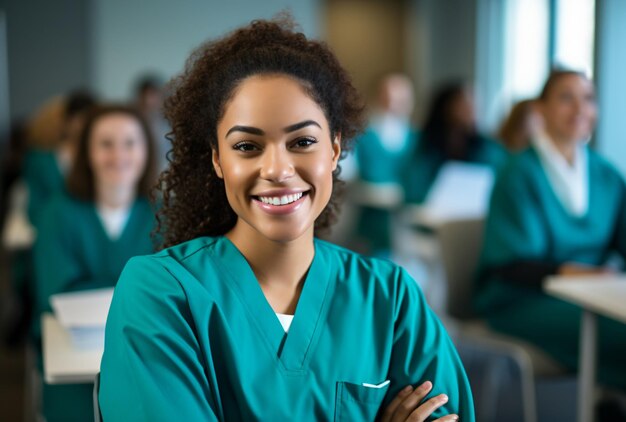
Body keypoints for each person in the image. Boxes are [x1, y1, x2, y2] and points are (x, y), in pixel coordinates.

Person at [99, 18, 474, 421]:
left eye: (302, 142)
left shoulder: (391, 298)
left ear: (334, 151)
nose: (277, 169)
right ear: (217, 160)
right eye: (247, 146)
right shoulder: (161, 295)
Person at [475, 70, 626, 392]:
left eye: (588, 98)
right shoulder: (517, 173)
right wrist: (586, 275)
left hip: (591, 293)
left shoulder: (607, 174)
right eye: (566, 98)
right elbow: (513, 265)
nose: (579, 109)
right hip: (523, 300)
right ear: (540, 110)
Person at [33, 105, 158, 422]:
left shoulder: (163, 214)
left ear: (146, 150)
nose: (119, 154)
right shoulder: (58, 214)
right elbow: (58, 294)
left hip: (145, 350)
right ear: (87, 153)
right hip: (74, 356)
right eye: (106, 144)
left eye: (130, 143)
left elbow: (175, 293)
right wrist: (138, 293)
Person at [404, 81, 508, 204]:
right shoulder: (424, 145)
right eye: (464, 103)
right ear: (446, 108)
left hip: (472, 216)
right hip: (431, 215)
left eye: (474, 103)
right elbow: (413, 188)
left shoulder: (487, 147)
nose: (471, 109)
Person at [353, 73, 419, 255]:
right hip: (373, 219)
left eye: (401, 99)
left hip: (409, 218)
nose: (394, 105)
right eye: (390, 98)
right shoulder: (364, 137)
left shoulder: (417, 139)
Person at [23, 90, 96, 229]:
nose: (82, 127)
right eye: (78, 119)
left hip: (88, 233)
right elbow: (34, 205)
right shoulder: (40, 159)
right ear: (67, 121)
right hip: (50, 227)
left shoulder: (101, 159)